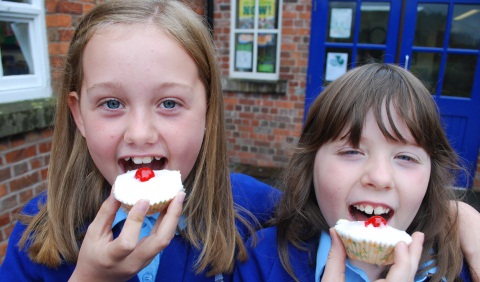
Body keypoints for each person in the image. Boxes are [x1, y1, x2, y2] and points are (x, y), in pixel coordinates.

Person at [0, 0, 280, 281]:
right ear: (79, 115)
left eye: (169, 103)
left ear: (208, 111)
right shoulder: (36, 232)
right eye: (111, 103)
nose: (140, 134)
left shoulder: (258, 211)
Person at [234, 63, 479, 282]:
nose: (380, 178)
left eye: (405, 157)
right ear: (310, 165)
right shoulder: (263, 260)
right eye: (351, 152)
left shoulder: (459, 268)